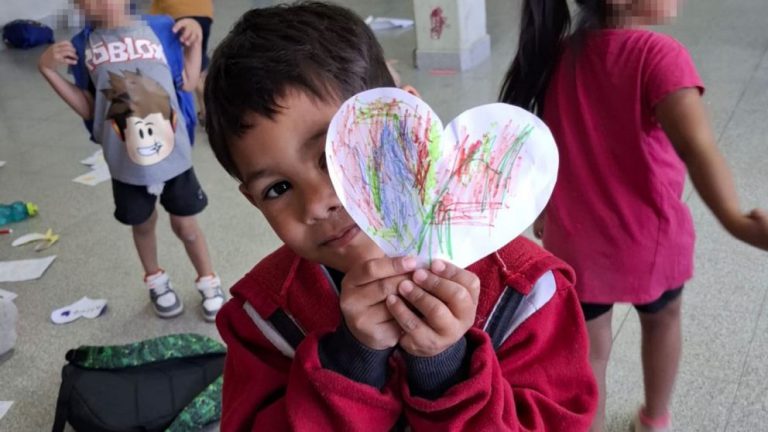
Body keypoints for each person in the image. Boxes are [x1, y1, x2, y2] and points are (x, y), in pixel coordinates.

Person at [205, 3, 597, 431]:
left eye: (333, 155)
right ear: (252, 201)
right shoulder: (264, 317)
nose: (317, 204)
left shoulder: (528, 294)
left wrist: (447, 369)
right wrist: (350, 363)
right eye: (277, 189)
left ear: (406, 125)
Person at [499, 1, 768, 431]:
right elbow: (698, 149)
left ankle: (590, 424)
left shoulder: (559, 52)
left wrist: (546, 207)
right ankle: (654, 420)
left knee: (590, 352)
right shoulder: (658, 56)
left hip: (576, 239)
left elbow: (547, 143)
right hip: (650, 239)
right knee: (662, 323)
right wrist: (736, 219)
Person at [38, 0, 225, 322]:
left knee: (187, 226)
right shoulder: (83, 45)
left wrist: (194, 44)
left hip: (175, 157)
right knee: (142, 224)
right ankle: (156, 280)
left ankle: (209, 280)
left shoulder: (161, 28)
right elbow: (88, 107)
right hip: (124, 163)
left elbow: (188, 80)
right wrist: (46, 70)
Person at [150, 0, 214, 124]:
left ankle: (203, 113)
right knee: (198, 64)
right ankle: (208, 112)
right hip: (204, 13)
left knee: (182, 69)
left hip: (174, 14)